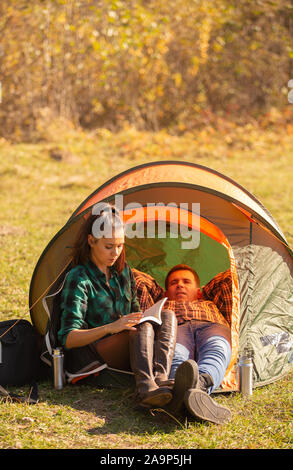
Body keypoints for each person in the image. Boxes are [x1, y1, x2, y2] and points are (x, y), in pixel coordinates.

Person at [57, 203, 177, 408]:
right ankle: (145, 388)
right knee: (139, 329)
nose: (115, 252)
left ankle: (158, 378)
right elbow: (68, 338)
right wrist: (111, 327)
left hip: (129, 342)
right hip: (94, 353)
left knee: (167, 316)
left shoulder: (122, 271)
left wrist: (145, 315)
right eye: (109, 246)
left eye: (120, 245)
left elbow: (134, 311)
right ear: (91, 241)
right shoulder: (79, 277)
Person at [163, 264, 232, 424]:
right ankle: (185, 392)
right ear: (166, 293)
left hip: (211, 324)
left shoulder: (209, 302)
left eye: (186, 281)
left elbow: (230, 277)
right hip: (175, 325)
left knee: (217, 348)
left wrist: (207, 290)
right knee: (177, 354)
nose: (180, 284)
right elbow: (138, 280)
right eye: (174, 283)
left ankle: (198, 388)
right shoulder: (162, 304)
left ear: (199, 291)